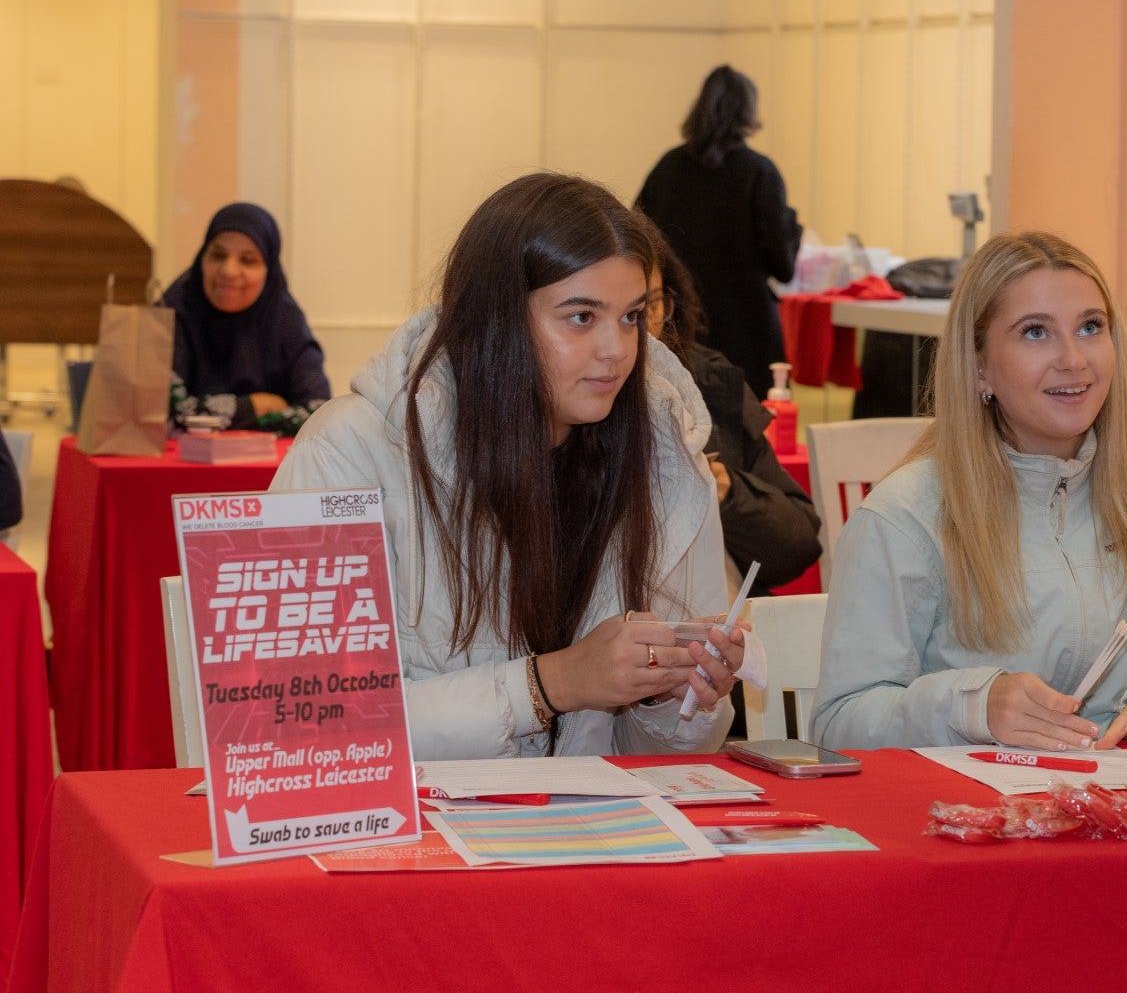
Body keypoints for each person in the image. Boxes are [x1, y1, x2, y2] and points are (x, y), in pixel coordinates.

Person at [272, 173, 747, 760]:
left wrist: (668, 697)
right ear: (493, 319)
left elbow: (663, 763)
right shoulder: (350, 450)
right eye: (581, 317)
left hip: (584, 833)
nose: (618, 350)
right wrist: (549, 685)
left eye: (631, 317)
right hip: (412, 835)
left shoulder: (663, 463)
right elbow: (306, 727)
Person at [813, 231, 1127, 753]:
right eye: (1036, 332)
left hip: (1119, 812)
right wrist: (974, 707)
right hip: (966, 818)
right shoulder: (906, 516)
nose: (1073, 359)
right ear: (978, 366)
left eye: (1090, 327)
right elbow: (841, 721)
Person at [637, 218, 821, 595]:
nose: (629, 332)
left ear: (669, 306)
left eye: (646, 307)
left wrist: (725, 490)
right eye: (588, 317)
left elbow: (797, 545)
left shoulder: (707, 384)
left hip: (722, 631)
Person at [634, 65, 801, 391]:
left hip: (679, 324)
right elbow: (783, 267)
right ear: (748, 113)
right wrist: (792, 227)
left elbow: (636, 237)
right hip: (746, 329)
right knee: (752, 429)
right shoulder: (759, 172)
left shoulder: (668, 167)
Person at [164, 203, 331, 436]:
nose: (229, 271)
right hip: (180, 469)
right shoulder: (171, 314)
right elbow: (168, 414)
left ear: (269, 270)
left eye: (248, 260)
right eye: (218, 255)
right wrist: (256, 406)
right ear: (202, 258)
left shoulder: (285, 319)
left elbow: (319, 411)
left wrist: (215, 416)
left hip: (270, 472)